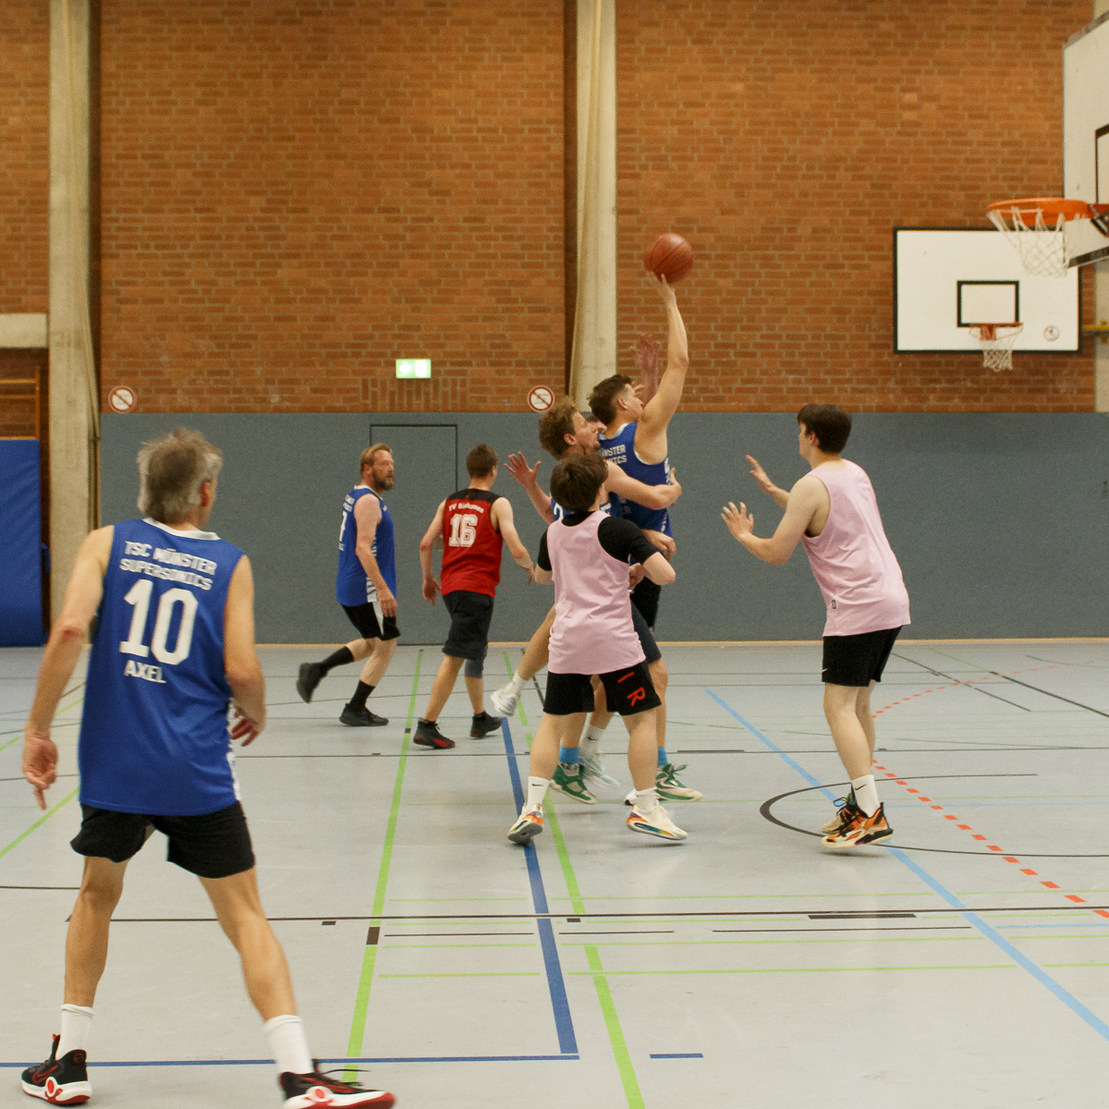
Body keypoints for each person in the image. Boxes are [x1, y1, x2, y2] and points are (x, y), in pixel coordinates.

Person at [19, 428, 393, 1108]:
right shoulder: (229, 563)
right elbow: (242, 670)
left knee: (95, 895)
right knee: (245, 913)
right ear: (205, 493)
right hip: (194, 768)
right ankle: (297, 1073)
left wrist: (38, 728)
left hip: (115, 764)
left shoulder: (106, 543)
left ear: (147, 491)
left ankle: (67, 1062)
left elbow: (70, 630)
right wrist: (256, 709)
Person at [721, 404, 910, 849]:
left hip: (857, 605)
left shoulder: (812, 484)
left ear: (810, 436)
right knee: (859, 703)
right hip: (890, 597)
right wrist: (773, 491)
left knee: (838, 707)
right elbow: (822, 511)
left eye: (799, 430)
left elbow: (776, 551)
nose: (798, 435)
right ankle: (858, 801)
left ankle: (870, 813)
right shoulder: (853, 473)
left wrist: (743, 535)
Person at [496, 401, 701, 807]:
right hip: (606, 597)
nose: (594, 425)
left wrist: (530, 491)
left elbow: (557, 528)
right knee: (651, 678)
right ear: (572, 437)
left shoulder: (568, 480)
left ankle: (570, 760)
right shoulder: (596, 473)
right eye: (583, 423)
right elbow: (649, 503)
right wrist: (670, 496)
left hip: (600, 588)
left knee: (588, 682)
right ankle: (646, 786)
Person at [412, 444, 534, 749]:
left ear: (470, 470)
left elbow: (426, 544)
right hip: (476, 589)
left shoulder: (449, 502)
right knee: (454, 656)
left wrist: (428, 578)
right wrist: (531, 566)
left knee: (475, 649)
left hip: (451, 588)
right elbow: (516, 548)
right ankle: (427, 725)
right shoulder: (498, 503)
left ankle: (480, 717)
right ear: (493, 470)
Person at [589, 272, 689, 630]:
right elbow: (681, 364)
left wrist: (649, 375)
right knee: (640, 657)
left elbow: (638, 419)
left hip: (607, 558)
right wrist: (670, 301)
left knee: (611, 653)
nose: (642, 397)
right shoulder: (645, 432)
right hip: (644, 559)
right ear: (622, 402)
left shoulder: (595, 448)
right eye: (634, 393)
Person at [297, 444, 400, 728]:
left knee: (371, 643)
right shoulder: (368, 501)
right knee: (386, 647)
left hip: (353, 585)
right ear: (368, 469)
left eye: (392, 463)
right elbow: (363, 549)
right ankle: (355, 707)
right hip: (366, 587)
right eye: (384, 464)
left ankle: (316, 670)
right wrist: (382, 588)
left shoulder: (358, 495)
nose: (391, 468)